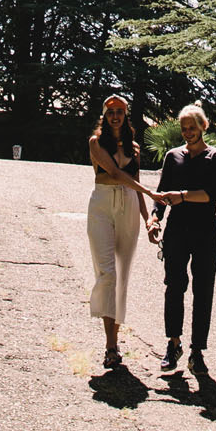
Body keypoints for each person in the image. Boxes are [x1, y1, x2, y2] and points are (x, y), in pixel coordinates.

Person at [152, 103, 216, 381]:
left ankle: (197, 351)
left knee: (203, 290)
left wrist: (182, 195)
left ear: (203, 127)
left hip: (205, 232)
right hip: (177, 232)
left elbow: (214, 193)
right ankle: (173, 344)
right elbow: (162, 193)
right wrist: (154, 218)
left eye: (192, 128)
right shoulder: (173, 157)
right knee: (174, 286)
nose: (188, 133)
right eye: (184, 129)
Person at [84, 94, 154, 369]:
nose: (115, 116)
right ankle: (109, 343)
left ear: (126, 116)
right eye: (111, 112)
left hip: (128, 203)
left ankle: (113, 345)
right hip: (102, 203)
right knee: (107, 273)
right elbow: (113, 173)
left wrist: (149, 219)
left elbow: (135, 183)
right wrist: (149, 191)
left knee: (121, 276)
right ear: (105, 115)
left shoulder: (134, 148)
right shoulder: (96, 142)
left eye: (120, 112)